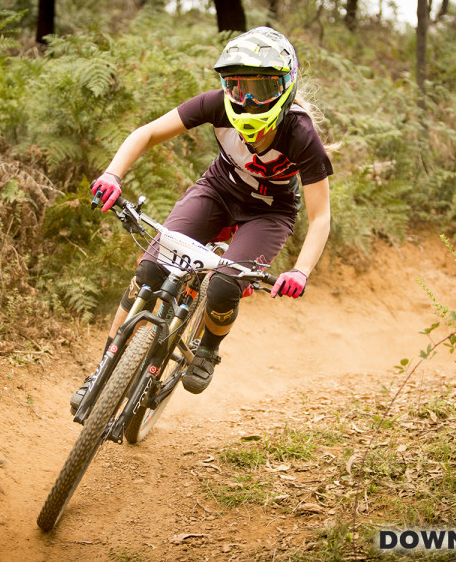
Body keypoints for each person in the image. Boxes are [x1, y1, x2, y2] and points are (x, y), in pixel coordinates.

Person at [72, 26, 332, 411]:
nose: (244, 101)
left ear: (285, 87)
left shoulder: (300, 133)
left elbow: (321, 214)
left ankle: (208, 348)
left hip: (270, 211)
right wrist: (112, 173)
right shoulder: (215, 104)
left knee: (225, 287)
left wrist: (301, 270)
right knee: (150, 271)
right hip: (218, 189)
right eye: (235, 86)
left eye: (259, 90)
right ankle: (104, 369)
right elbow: (148, 133)